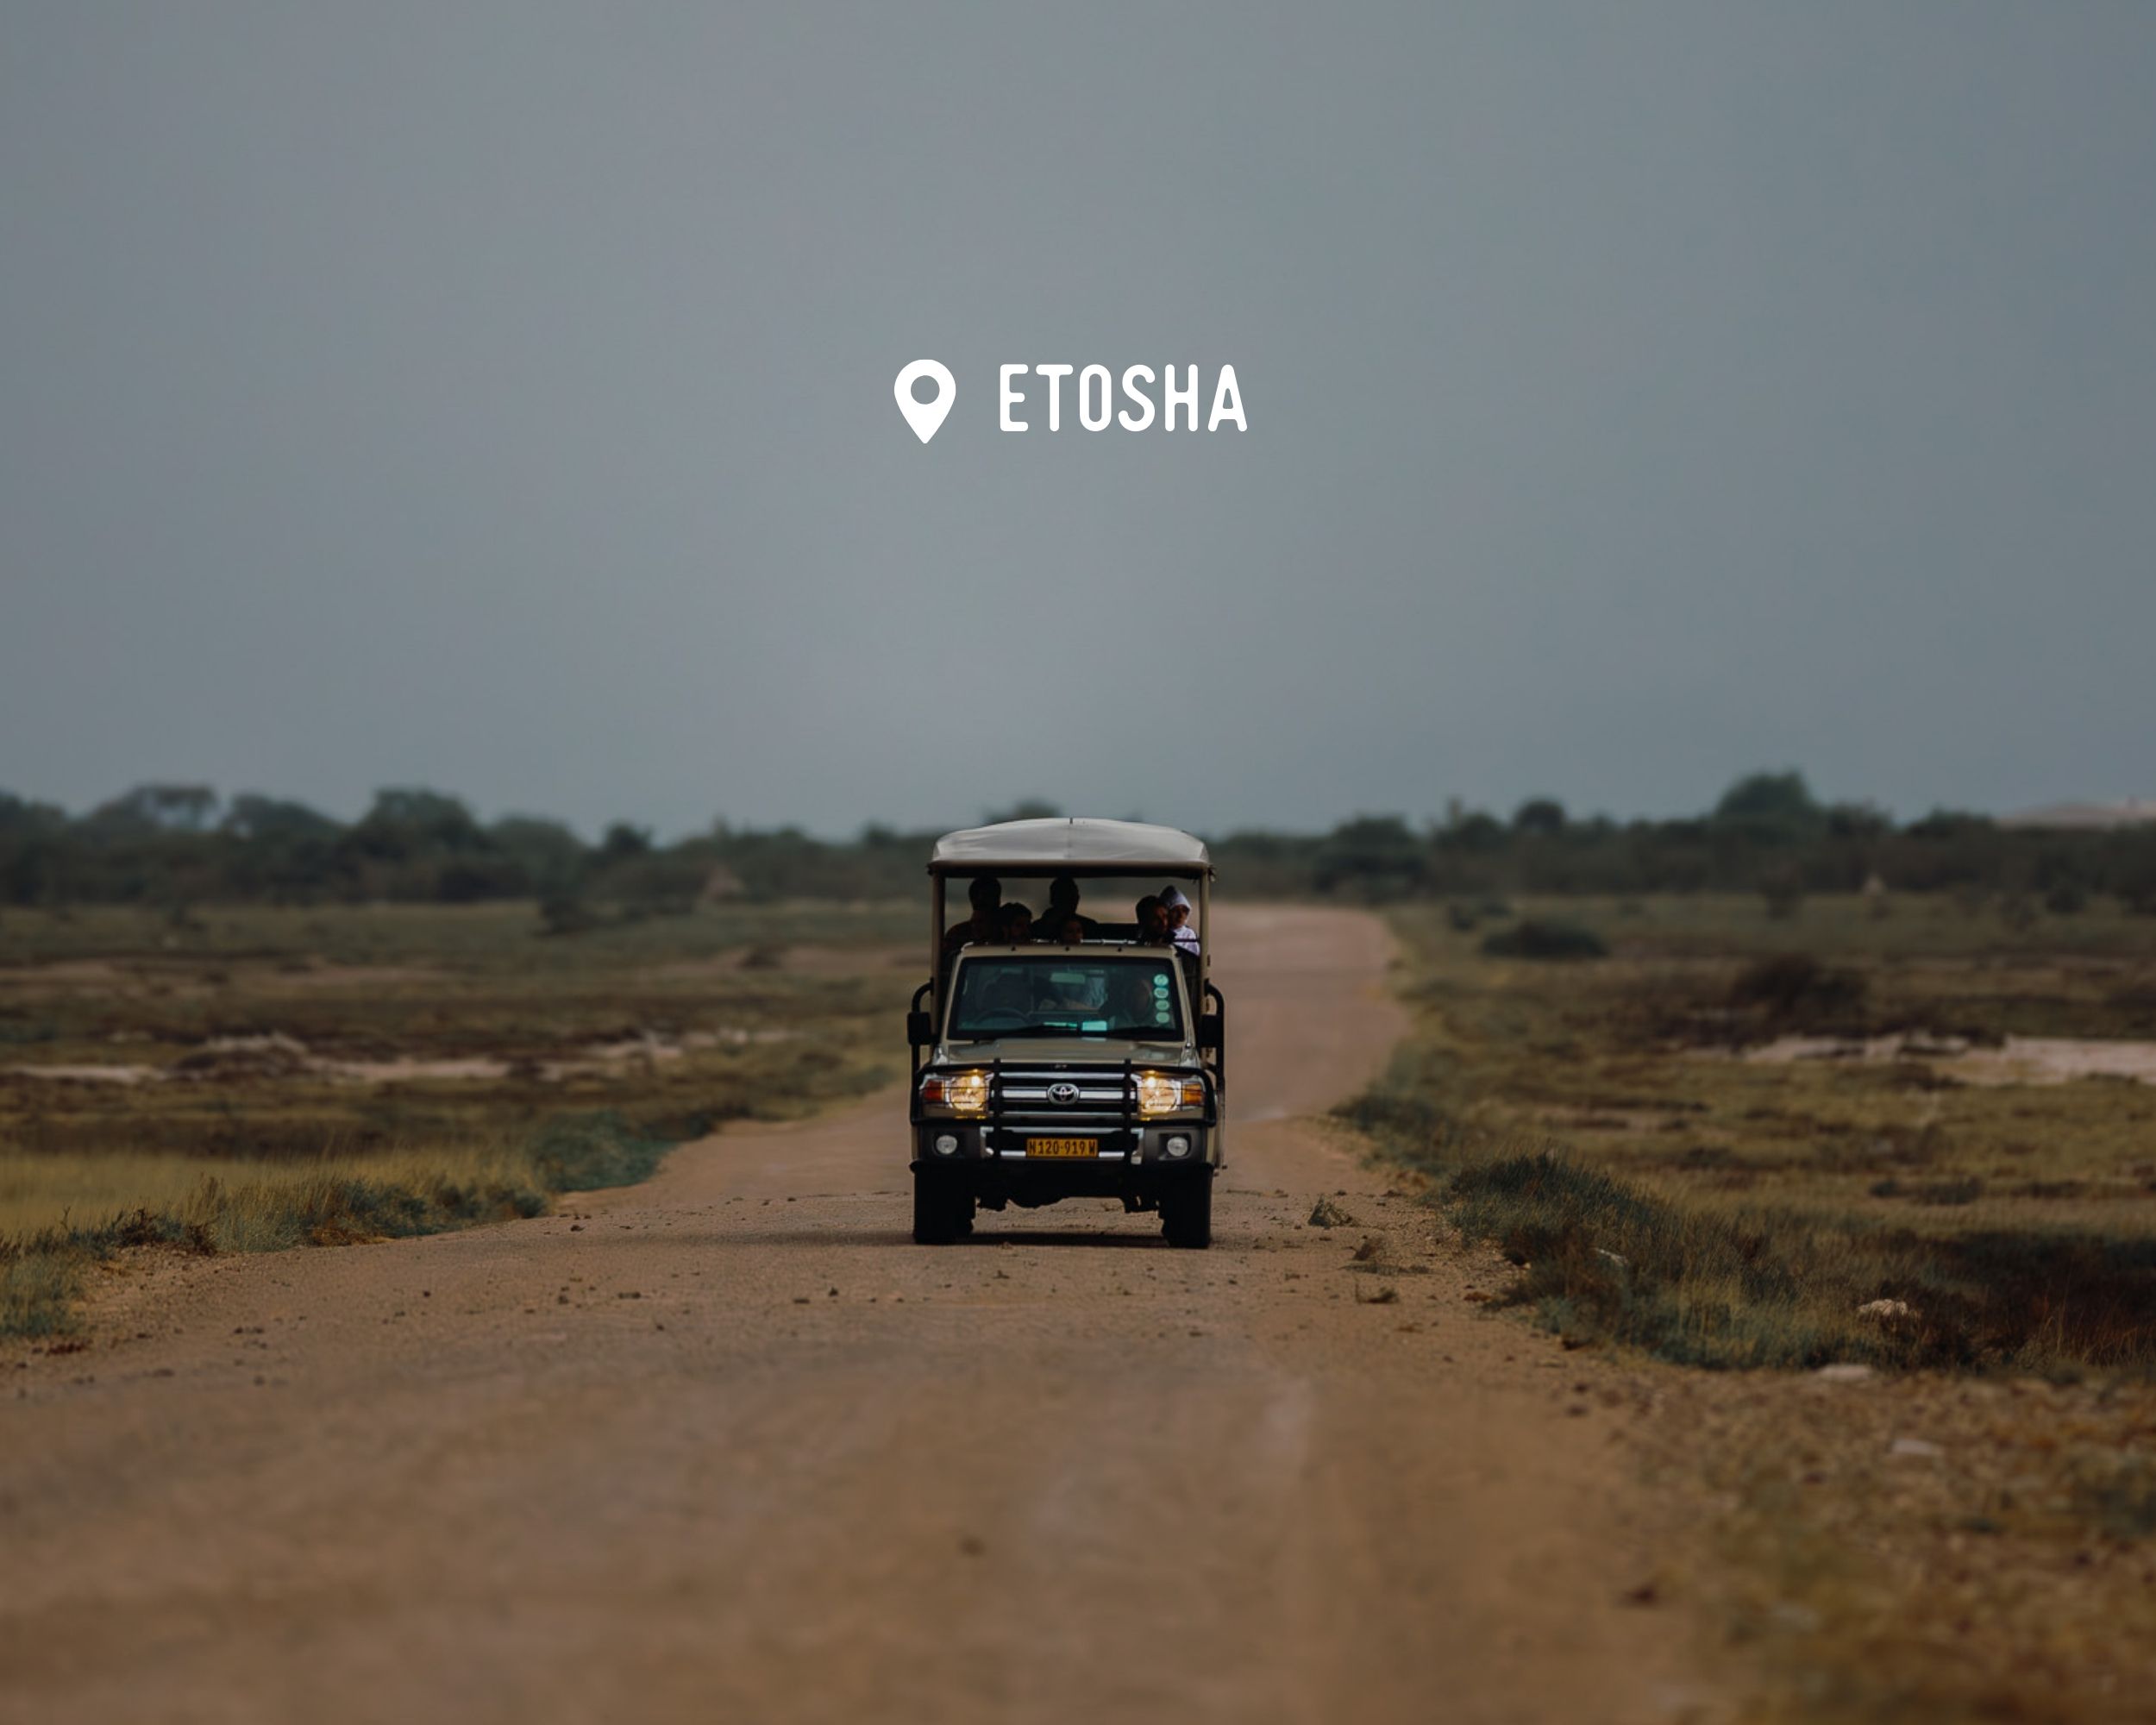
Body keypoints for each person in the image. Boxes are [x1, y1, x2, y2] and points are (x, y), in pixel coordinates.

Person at [943, 875, 1002, 955]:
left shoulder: (1007, 931)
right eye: (978, 895)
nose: (982, 899)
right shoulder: (958, 934)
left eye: (988, 896)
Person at [1040, 875, 1099, 939]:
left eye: (1074, 897)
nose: (1072, 902)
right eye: (1065, 897)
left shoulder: (1090, 927)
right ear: (1053, 899)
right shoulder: (1039, 928)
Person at [1158, 885, 1200, 957]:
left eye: (1184, 911)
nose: (1181, 916)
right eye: (1175, 911)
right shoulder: (1157, 932)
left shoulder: (1189, 935)